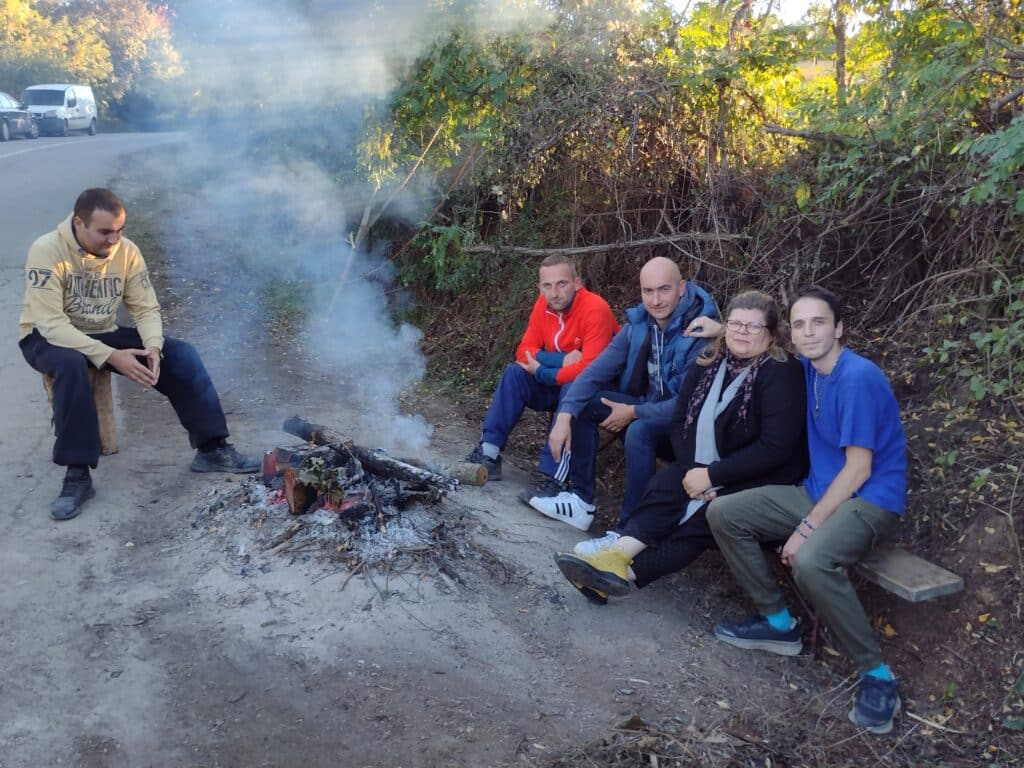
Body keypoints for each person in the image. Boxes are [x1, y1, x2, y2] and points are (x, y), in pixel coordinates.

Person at [706, 285, 906, 735]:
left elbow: (858, 470)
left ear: (839, 328)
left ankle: (877, 676)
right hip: (819, 490)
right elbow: (760, 340)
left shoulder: (857, 378)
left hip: (867, 501)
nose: (808, 331)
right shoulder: (807, 367)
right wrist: (724, 328)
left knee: (812, 562)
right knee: (724, 513)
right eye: (799, 324)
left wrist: (806, 529)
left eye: (819, 322)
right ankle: (778, 623)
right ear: (790, 333)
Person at [19, 188, 260, 521]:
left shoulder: (126, 251)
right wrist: (111, 356)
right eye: (105, 232)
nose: (114, 239)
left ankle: (212, 449)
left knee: (182, 355)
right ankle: (77, 476)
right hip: (47, 338)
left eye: (120, 230)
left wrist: (154, 347)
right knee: (72, 364)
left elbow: (145, 307)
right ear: (79, 223)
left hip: (102, 329)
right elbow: (52, 325)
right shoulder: (46, 251)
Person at [553, 291, 807, 604]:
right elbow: (680, 421)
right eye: (736, 324)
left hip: (761, 475)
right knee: (666, 486)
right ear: (724, 327)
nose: (742, 332)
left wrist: (712, 476)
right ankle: (617, 557)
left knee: (700, 517)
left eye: (753, 327)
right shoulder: (709, 362)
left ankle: (620, 575)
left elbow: (775, 448)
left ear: (770, 335)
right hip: (706, 464)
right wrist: (691, 470)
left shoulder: (781, 372)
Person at [522, 256, 716, 533]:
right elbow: (594, 372)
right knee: (587, 401)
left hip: (686, 429)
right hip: (647, 408)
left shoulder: (701, 332)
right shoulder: (638, 325)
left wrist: (634, 412)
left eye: (664, 289)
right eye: (648, 291)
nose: (655, 300)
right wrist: (564, 415)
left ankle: (629, 529)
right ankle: (581, 502)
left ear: (681, 287)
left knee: (639, 429)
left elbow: (688, 406)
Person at [464, 255, 618, 481]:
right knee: (514, 374)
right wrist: (560, 360)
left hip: (597, 392)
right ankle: (489, 454)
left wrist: (542, 371)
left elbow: (589, 371)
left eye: (561, 284)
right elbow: (523, 352)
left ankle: (553, 477)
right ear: (540, 288)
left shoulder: (595, 309)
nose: (554, 293)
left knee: (573, 384)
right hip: (558, 380)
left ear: (577, 283)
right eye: (547, 285)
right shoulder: (543, 305)